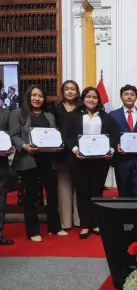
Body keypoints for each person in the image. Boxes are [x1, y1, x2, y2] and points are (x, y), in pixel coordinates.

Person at [9, 85, 67, 242]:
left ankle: (55, 227)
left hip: (48, 160)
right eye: (34, 95)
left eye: (40, 96)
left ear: (44, 98)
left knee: (53, 194)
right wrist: (25, 146)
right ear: (28, 97)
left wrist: (58, 145)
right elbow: (14, 135)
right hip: (29, 160)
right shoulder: (18, 114)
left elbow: (55, 134)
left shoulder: (49, 116)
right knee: (31, 196)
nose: (36, 98)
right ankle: (33, 230)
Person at [63, 87, 119, 239]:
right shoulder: (73, 116)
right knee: (82, 193)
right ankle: (84, 225)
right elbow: (67, 135)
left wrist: (111, 150)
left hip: (100, 162)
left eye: (94, 97)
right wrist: (75, 150)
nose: (91, 100)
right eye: (88, 97)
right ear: (83, 98)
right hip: (79, 161)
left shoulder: (105, 117)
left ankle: (95, 223)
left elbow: (115, 134)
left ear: (98, 100)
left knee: (97, 193)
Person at [110, 85, 137, 197]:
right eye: (126, 94)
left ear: (136, 97)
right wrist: (116, 145)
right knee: (123, 193)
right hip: (122, 161)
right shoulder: (113, 115)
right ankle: (123, 215)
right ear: (121, 97)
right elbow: (111, 134)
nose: (129, 97)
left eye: (132, 94)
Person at [52, 80, 81, 230]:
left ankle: (79, 220)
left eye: (73, 89)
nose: (70, 91)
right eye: (67, 89)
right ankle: (66, 222)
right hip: (62, 152)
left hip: (80, 152)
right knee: (64, 186)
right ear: (63, 91)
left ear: (77, 91)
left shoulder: (83, 108)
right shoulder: (56, 108)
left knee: (80, 186)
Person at [0, 107, 14, 245]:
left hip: (1, 163)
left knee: (1, 199)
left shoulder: (6, 114)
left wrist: (11, 147)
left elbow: (12, 135)